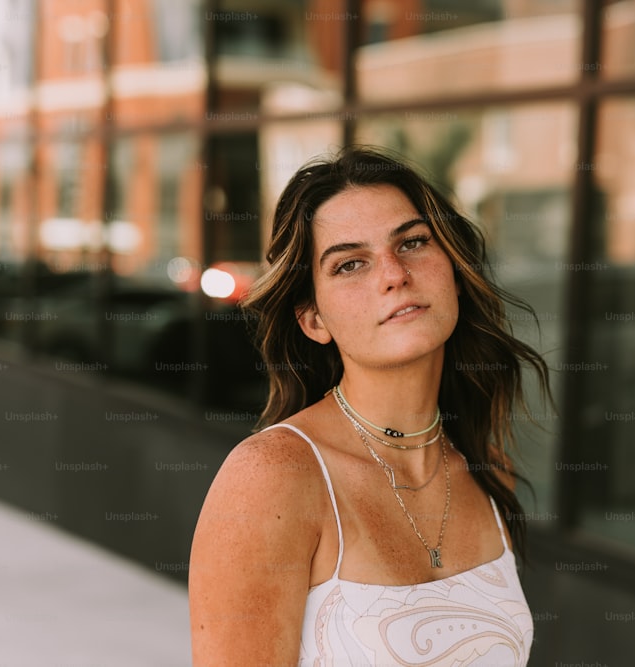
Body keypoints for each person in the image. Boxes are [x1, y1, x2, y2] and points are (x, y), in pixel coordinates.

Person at [189, 146, 551, 666]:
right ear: (313, 319)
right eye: (350, 263)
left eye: (413, 242)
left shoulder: (488, 470)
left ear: (452, 267)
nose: (393, 273)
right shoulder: (275, 477)